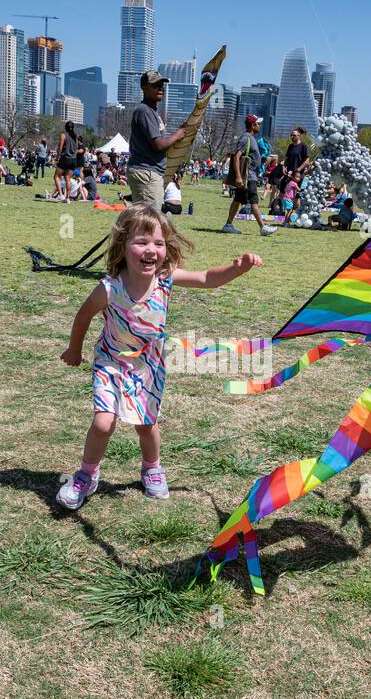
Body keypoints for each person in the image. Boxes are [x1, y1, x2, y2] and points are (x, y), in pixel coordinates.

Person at [56, 203, 263, 509]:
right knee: (103, 423)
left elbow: (207, 278)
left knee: (146, 425)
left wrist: (238, 268)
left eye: (158, 243)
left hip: (148, 368)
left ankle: (152, 468)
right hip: (110, 364)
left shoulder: (165, 279)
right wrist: (74, 349)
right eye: (141, 242)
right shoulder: (110, 288)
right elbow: (84, 315)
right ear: (123, 246)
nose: (150, 249)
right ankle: (87, 475)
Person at [126, 70, 186, 209]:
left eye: (161, 85)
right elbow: (158, 145)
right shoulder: (144, 110)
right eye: (155, 85)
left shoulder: (152, 112)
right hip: (146, 172)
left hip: (151, 172)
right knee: (150, 220)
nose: (160, 88)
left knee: (145, 219)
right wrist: (176, 135)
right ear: (144, 87)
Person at [221, 115, 275, 236]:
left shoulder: (252, 138)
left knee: (238, 200)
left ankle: (228, 225)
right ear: (253, 125)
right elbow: (236, 157)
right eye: (258, 124)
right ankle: (263, 227)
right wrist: (239, 177)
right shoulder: (246, 138)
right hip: (248, 176)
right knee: (254, 200)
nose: (259, 126)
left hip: (251, 175)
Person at [54, 120, 78, 202]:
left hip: (65, 158)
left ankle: (61, 195)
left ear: (65, 127)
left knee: (56, 176)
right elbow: (76, 149)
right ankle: (67, 198)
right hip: (73, 159)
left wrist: (57, 157)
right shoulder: (75, 136)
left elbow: (60, 148)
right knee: (68, 178)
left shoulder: (63, 135)